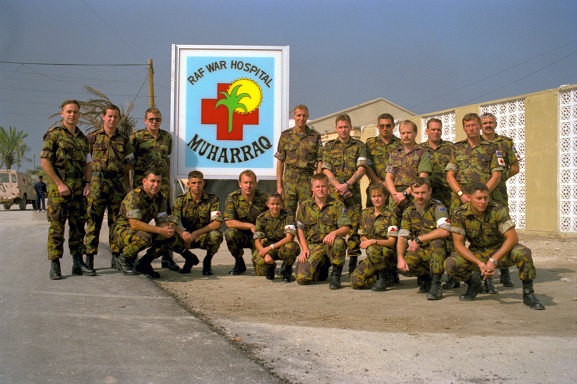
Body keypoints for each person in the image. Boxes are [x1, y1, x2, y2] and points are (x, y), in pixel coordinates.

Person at [446, 183, 545, 310]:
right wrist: (479, 263)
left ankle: (528, 294)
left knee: (524, 253)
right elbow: (458, 244)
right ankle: (474, 284)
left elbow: (512, 237)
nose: (483, 202)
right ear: (469, 198)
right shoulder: (460, 214)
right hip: (478, 252)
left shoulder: (497, 210)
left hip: (500, 251)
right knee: (451, 264)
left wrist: (494, 259)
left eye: (485, 198)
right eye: (479, 198)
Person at [40, 99, 94, 279]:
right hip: (59, 190)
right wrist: (58, 183)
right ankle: (55, 264)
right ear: (62, 113)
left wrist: (87, 183)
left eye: (75, 112)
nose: (72, 115)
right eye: (69, 111)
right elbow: (45, 161)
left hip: (79, 190)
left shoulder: (82, 138)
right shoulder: (53, 135)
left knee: (78, 227)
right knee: (57, 228)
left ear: (79, 115)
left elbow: (87, 164)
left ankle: (77, 263)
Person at [129, 107, 179, 271]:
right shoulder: (136, 137)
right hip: (142, 188)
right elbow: (129, 161)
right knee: (138, 222)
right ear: (145, 121)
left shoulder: (166, 137)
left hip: (162, 187)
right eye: (151, 119)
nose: (154, 122)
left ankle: (166, 257)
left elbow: (167, 160)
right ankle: (132, 257)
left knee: (165, 222)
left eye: (157, 119)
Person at [112, 169, 188, 278]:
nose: (156, 185)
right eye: (152, 181)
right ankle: (124, 259)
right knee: (144, 237)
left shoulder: (160, 198)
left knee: (169, 238)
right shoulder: (135, 196)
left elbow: (161, 221)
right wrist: (160, 230)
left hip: (139, 231)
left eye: (159, 182)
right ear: (144, 182)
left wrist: (166, 230)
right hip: (122, 232)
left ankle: (144, 263)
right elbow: (134, 224)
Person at [84, 104, 133, 272]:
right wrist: (88, 183)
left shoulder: (124, 140)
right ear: (103, 117)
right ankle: (89, 258)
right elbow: (87, 163)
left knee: (116, 222)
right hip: (98, 184)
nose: (112, 119)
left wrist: (124, 181)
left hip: (117, 186)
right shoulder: (92, 138)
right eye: (109, 116)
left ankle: (116, 257)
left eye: (115, 117)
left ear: (119, 119)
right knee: (93, 220)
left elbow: (129, 162)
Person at [322, 113, 367, 274]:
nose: (343, 130)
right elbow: (326, 168)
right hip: (335, 194)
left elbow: (362, 168)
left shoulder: (359, 146)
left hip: (352, 193)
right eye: (340, 127)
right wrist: (338, 186)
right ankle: (332, 261)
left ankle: (353, 261)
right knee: (333, 225)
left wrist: (347, 185)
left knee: (354, 227)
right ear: (336, 128)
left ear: (350, 127)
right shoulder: (329, 147)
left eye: (346, 127)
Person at [481, 112, 521, 288]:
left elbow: (515, 167)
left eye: (490, 122)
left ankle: (505, 272)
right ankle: (485, 272)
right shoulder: (476, 144)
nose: (488, 125)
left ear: (495, 124)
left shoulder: (506, 143)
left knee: (502, 231)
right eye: (485, 123)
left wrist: (499, 178)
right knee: (482, 232)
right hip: (479, 197)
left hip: (498, 196)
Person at [396, 178, 452, 300]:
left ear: (430, 191)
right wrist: (400, 258)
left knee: (436, 243)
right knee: (406, 265)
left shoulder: (438, 207)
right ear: (412, 192)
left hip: (441, 250)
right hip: (422, 251)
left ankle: (436, 284)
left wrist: (419, 239)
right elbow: (403, 235)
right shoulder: (409, 210)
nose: (420, 196)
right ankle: (426, 277)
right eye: (416, 193)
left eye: (423, 192)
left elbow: (445, 231)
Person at [295, 173, 351, 289]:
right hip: (313, 247)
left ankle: (336, 275)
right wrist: (304, 248)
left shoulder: (337, 205)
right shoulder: (305, 206)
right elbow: (300, 229)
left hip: (329, 245)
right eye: (317, 187)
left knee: (339, 242)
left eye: (323, 186)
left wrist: (334, 233)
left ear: (328, 187)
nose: (321, 189)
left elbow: (346, 228)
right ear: (312, 189)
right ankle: (322, 266)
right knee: (302, 278)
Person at [445, 113, 503, 213]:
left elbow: (496, 176)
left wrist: (481, 196)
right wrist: (461, 194)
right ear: (464, 128)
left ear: (480, 126)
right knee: (457, 228)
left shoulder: (492, 147)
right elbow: (450, 176)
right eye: (467, 126)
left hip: (483, 201)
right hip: (461, 200)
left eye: (474, 125)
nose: (471, 128)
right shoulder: (457, 148)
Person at [172, 170, 223, 275]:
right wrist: (181, 232)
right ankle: (189, 258)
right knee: (168, 236)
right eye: (194, 183)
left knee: (216, 235)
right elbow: (172, 223)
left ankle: (208, 261)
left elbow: (216, 223)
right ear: (188, 184)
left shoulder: (212, 199)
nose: (197, 186)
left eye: (199, 183)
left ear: (203, 183)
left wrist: (196, 233)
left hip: (204, 235)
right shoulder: (181, 200)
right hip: (187, 236)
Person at [350, 183, 398, 291]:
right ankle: (381, 277)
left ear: (385, 196)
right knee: (355, 281)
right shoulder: (365, 214)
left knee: (372, 249)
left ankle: (384, 277)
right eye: (374, 196)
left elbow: (391, 242)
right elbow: (362, 234)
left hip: (387, 254)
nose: (376, 199)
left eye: (379, 196)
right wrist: (368, 243)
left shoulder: (391, 216)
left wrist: (373, 242)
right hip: (373, 255)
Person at [275, 104, 322, 214]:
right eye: (299, 115)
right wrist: (279, 185)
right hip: (289, 180)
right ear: (294, 116)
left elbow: (319, 160)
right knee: (287, 213)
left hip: (307, 180)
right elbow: (280, 161)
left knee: (307, 212)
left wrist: (316, 184)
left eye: (304, 116)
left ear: (308, 116)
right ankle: (289, 232)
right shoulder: (285, 136)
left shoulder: (314, 136)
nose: (301, 118)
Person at [223, 170, 269, 275]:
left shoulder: (264, 197)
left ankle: (263, 261)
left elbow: (272, 218)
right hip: (241, 235)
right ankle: (239, 262)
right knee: (230, 233)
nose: (248, 186)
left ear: (255, 183)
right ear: (240, 184)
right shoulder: (233, 197)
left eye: (251, 183)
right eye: (245, 182)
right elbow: (229, 222)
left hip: (258, 238)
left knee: (263, 272)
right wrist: (249, 226)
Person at [385, 120, 432, 211]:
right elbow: (388, 177)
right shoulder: (394, 154)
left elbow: (422, 178)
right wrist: (396, 195)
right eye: (403, 133)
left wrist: (404, 194)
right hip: (395, 199)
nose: (406, 136)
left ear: (415, 133)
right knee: (393, 225)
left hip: (414, 196)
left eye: (409, 133)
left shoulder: (423, 153)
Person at [252, 193, 300, 282]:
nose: (275, 206)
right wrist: (265, 254)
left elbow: (289, 238)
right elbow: (257, 241)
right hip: (269, 248)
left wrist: (270, 247)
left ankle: (287, 269)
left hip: (283, 246)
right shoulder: (261, 218)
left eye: (278, 204)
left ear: (282, 204)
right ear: (267, 204)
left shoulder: (288, 216)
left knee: (291, 247)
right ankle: (270, 266)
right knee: (259, 265)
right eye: (272, 204)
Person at [365, 113, 401, 207]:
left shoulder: (400, 144)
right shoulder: (370, 144)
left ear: (393, 126)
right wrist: (378, 182)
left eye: (388, 125)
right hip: (375, 188)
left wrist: (389, 184)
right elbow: (366, 165)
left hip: (394, 188)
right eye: (382, 126)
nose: (385, 128)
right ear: (378, 126)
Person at [422, 118, 453, 212]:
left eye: (438, 129)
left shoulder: (451, 147)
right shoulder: (420, 149)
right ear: (427, 131)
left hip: (447, 193)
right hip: (427, 193)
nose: (436, 132)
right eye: (433, 129)